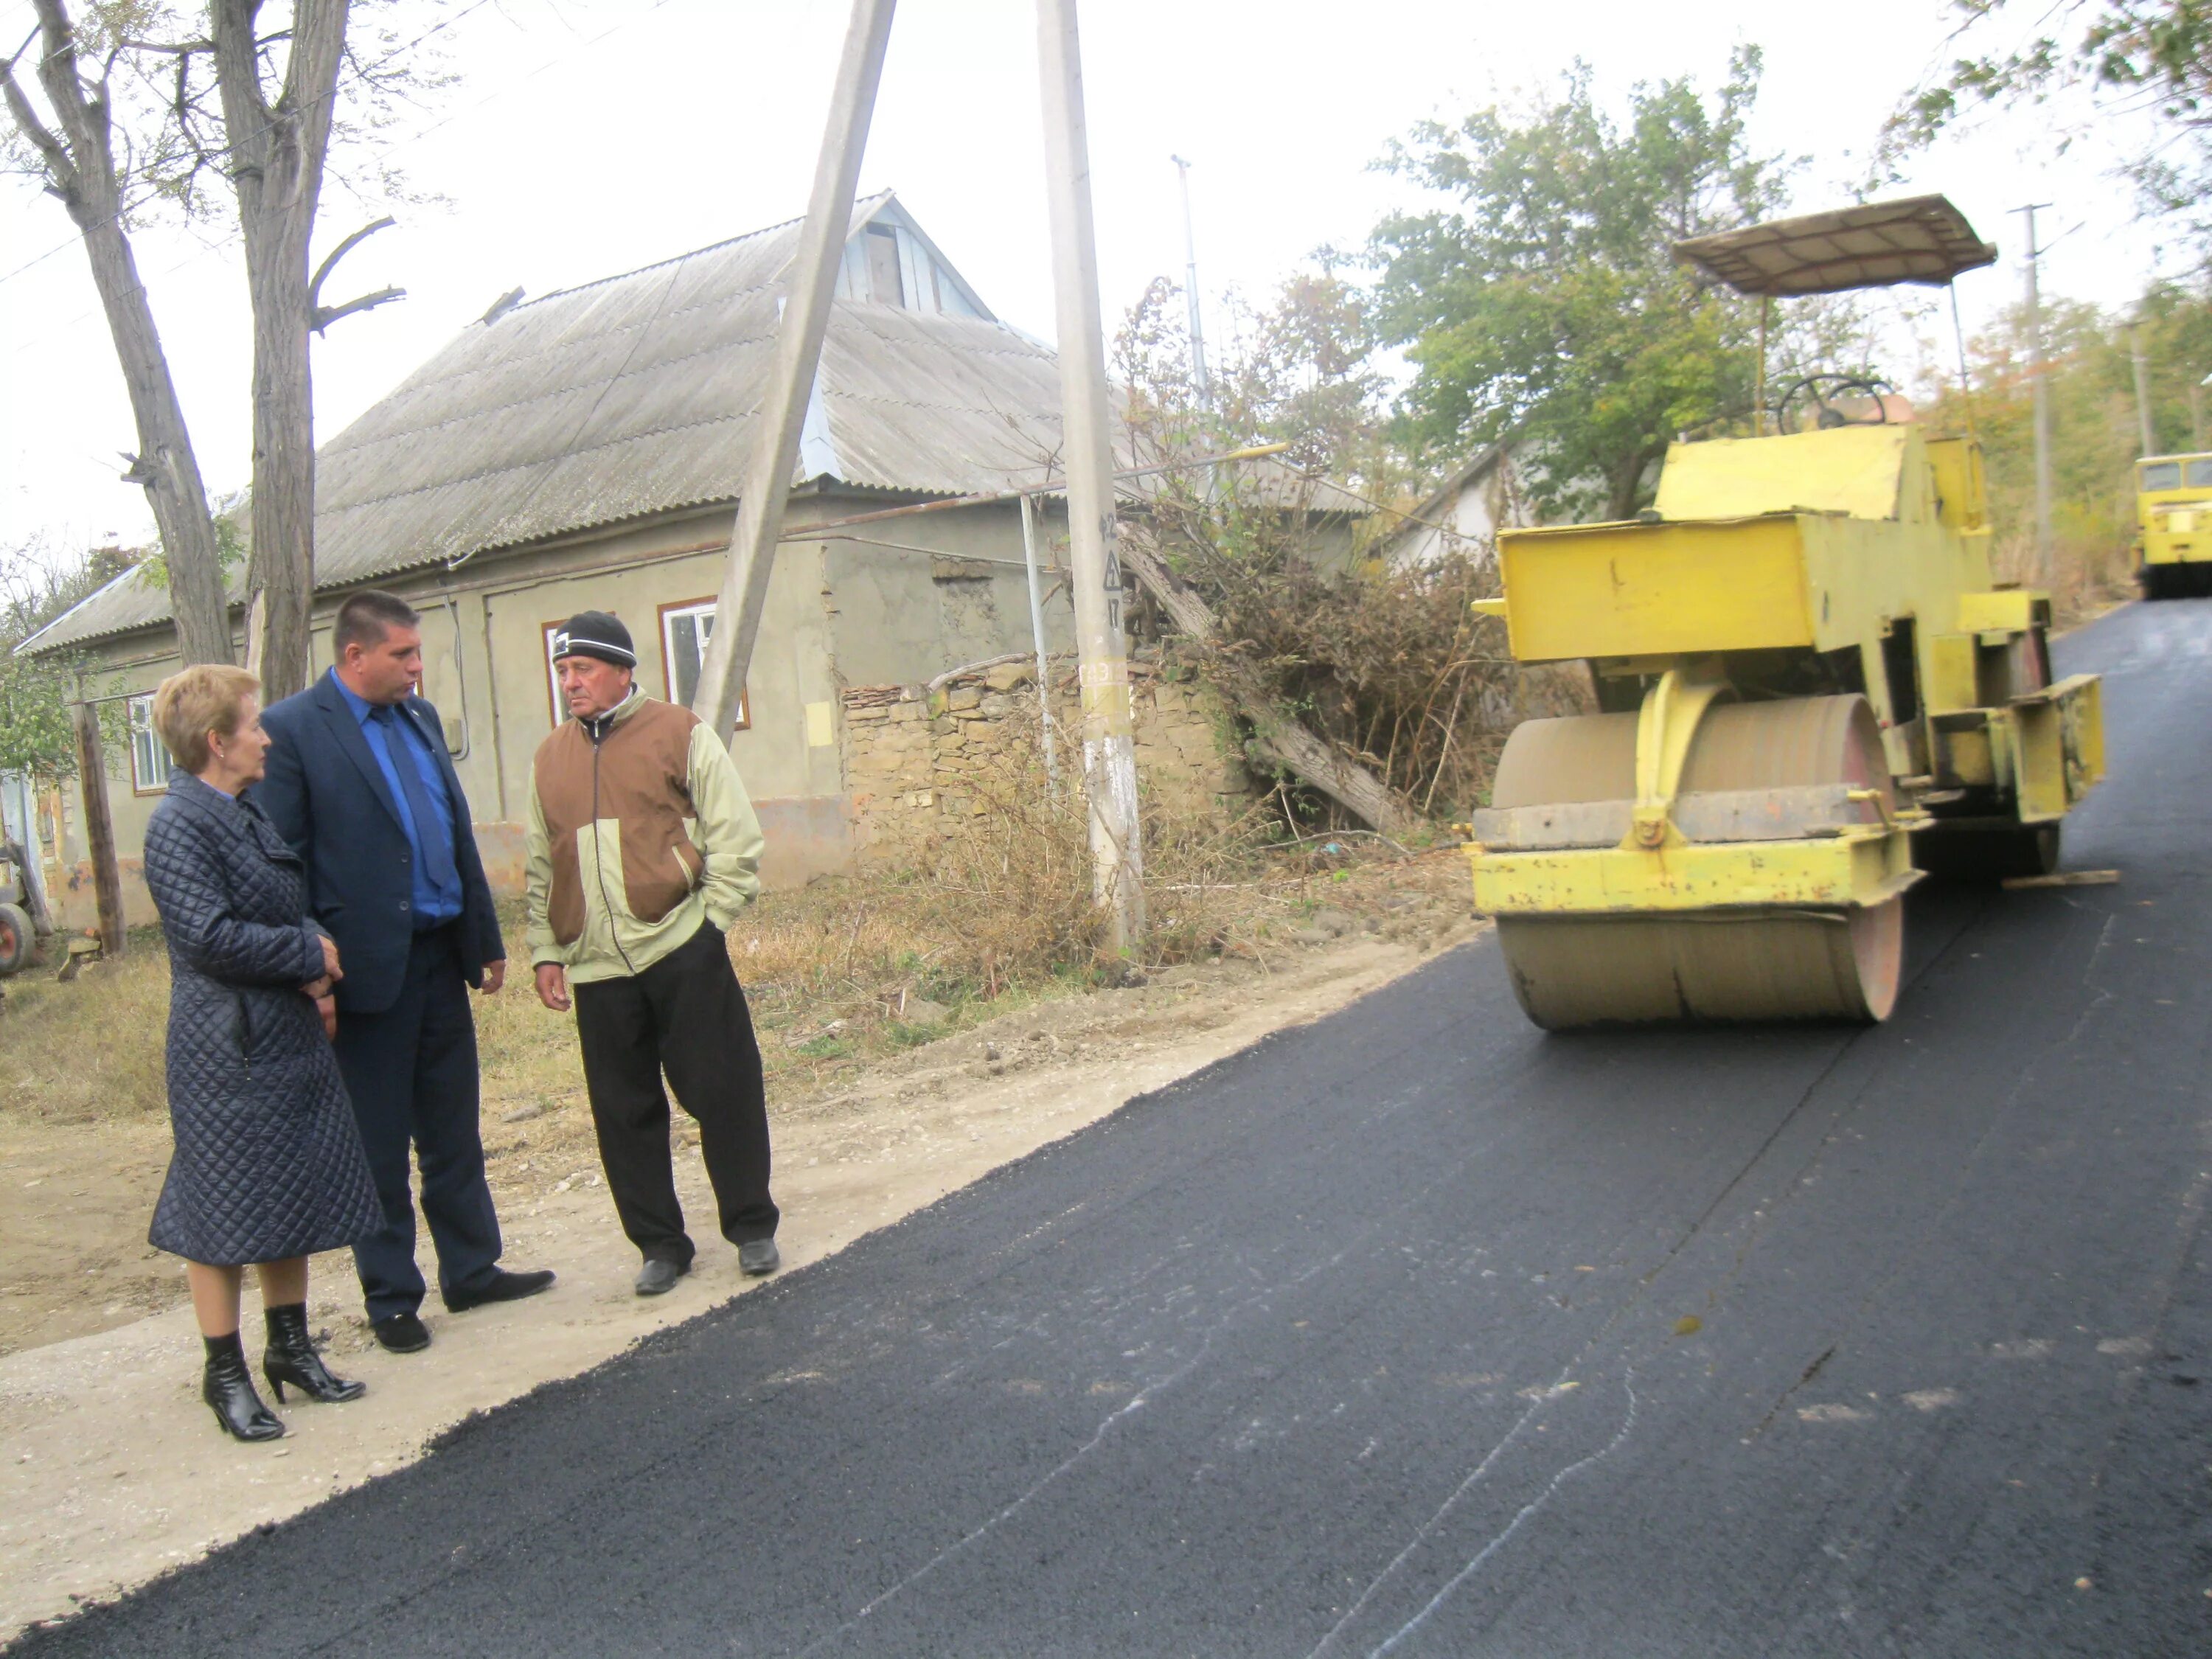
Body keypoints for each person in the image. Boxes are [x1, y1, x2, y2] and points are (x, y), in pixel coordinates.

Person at [258, 590, 553, 1354]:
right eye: (403, 655)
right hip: (363, 972)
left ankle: (472, 1268)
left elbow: (452, 827)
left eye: (418, 654)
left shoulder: (418, 720)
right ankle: (391, 1297)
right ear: (355, 657)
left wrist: (483, 937)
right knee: (378, 1143)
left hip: (437, 952)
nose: (418, 669)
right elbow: (282, 864)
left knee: (453, 1128)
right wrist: (312, 967)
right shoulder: (293, 731)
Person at [141, 664, 382, 1442]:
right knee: (222, 1208)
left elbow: (281, 902)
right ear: (217, 743)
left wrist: (316, 973)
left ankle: (290, 1349)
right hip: (227, 1050)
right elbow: (206, 938)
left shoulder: (244, 812)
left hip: (285, 1033)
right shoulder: (178, 823)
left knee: (295, 1189)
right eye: (252, 724)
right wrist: (307, 949)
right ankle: (225, 1373)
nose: (267, 736)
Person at [525, 610, 781, 1295]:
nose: (570, 683)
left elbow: (735, 831)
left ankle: (752, 1226)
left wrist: (711, 923)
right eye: (562, 672)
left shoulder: (677, 732)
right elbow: (541, 865)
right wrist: (547, 949)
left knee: (722, 1089)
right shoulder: (551, 758)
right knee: (624, 1111)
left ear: (621, 670)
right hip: (597, 965)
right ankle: (660, 1245)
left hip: (679, 947)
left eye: (582, 669)